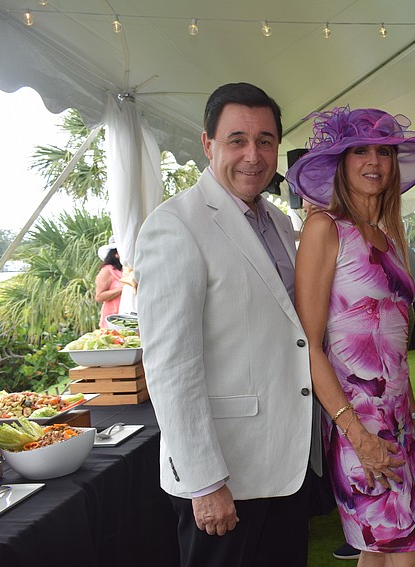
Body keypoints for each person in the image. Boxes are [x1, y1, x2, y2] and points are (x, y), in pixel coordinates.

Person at [134, 83, 318, 567]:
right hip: (224, 475)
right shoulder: (176, 225)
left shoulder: (279, 223)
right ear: (207, 144)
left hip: (285, 463)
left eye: (265, 140)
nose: (253, 156)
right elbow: (172, 365)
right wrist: (205, 481)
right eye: (237, 140)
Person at [287, 105, 415, 566]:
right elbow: (307, 346)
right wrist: (358, 435)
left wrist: (411, 415)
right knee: (410, 557)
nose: (374, 162)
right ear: (340, 162)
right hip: (357, 423)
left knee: (377, 555)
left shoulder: (389, 234)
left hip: (395, 422)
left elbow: (393, 342)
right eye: (360, 151)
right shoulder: (324, 228)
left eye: (384, 152)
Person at [94, 235, 123, 328]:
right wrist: (122, 290)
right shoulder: (107, 270)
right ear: (115, 254)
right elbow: (99, 296)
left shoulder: (129, 270)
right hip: (114, 318)